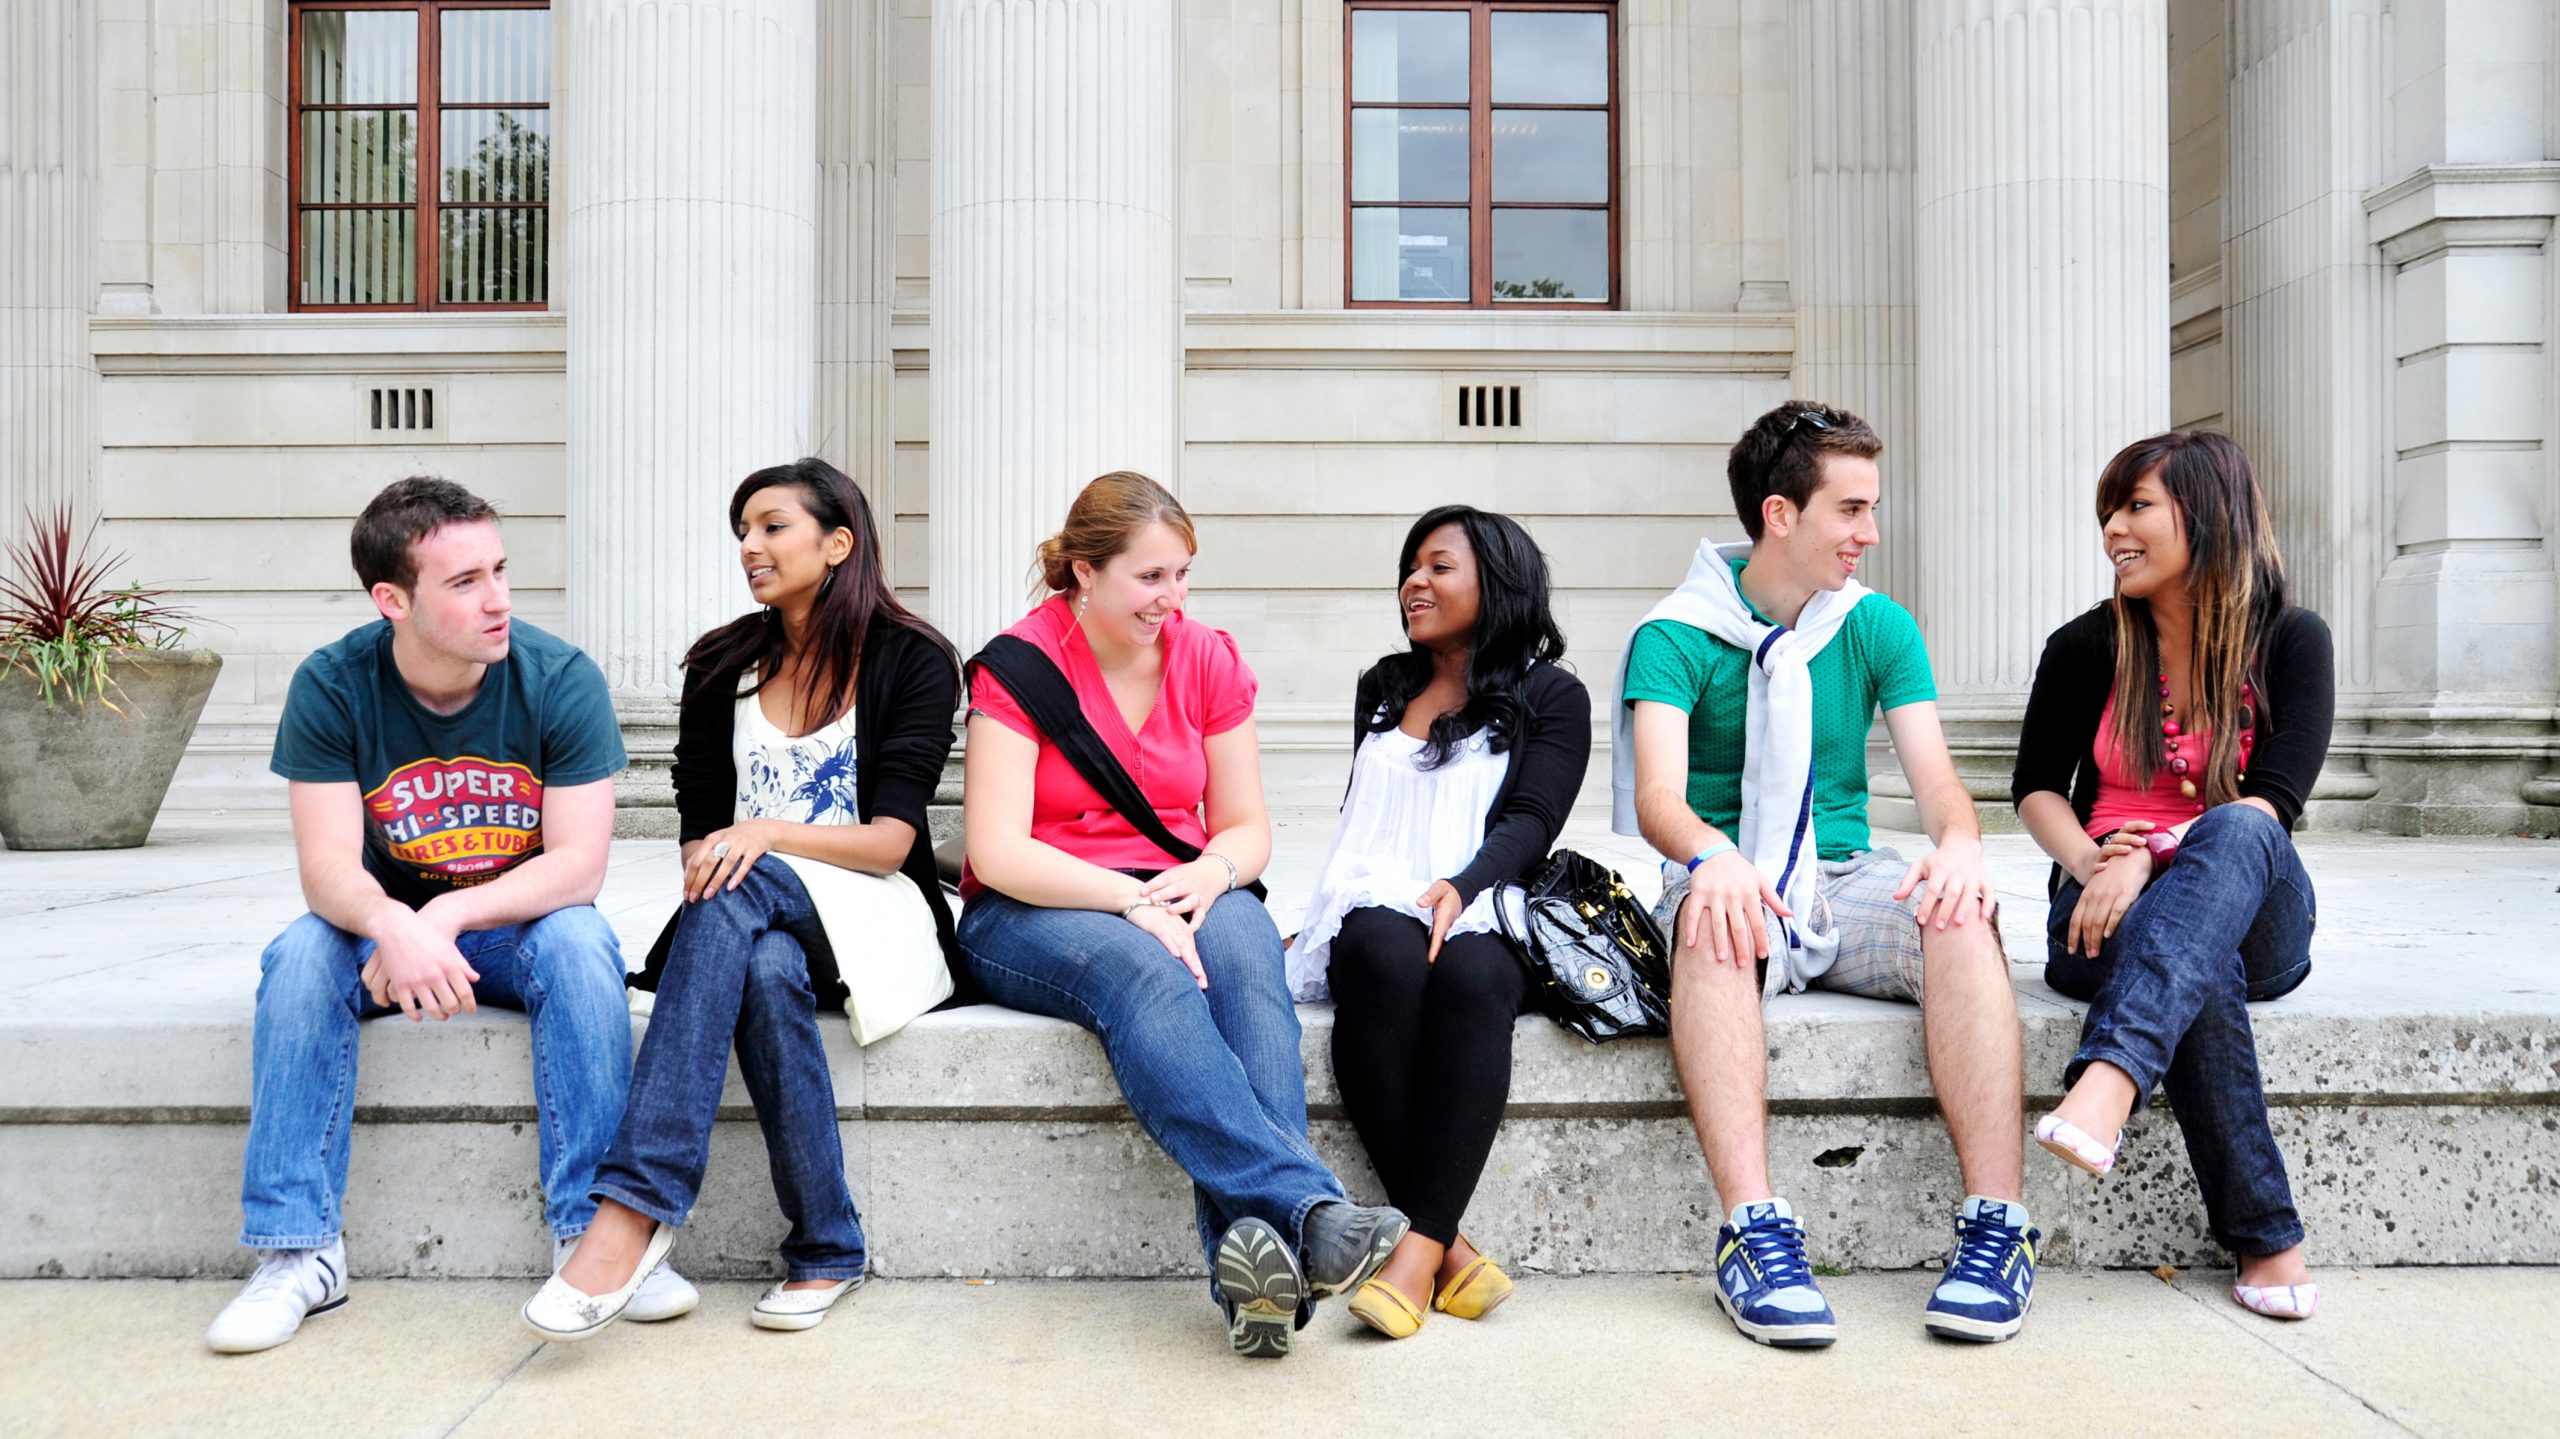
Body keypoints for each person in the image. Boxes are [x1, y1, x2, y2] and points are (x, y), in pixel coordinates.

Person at [207, 477, 692, 1353]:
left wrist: (447, 914)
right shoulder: (333, 684)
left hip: (510, 931)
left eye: (500, 570)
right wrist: (395, 924)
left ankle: (591, 1237)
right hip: (382, 935)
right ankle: (299, 1251)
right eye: (465, 581)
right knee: (300, 955)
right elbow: (325, 868)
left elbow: (578, 867)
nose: (498, 598)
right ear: (392, 600)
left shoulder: (560, 678)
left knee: (582, 942)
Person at [957, 471, 1407, 1359]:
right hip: (1037, 904)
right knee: (1146, 971)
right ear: (1085, 571)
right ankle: (1311, 1211)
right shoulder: (1017, 666)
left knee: (1247, 959)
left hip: (1181, 880)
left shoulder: (1206, 658)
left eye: (1183, 574)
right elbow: (998, 850)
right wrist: (1131, 901)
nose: (1174, 597)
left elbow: (1246, 825)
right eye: (1151, 577)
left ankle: (1260, 1279)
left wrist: (1211, 872)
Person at [1615, 401, 2032, 1347]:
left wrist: (1959, 845)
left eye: (1869, 508)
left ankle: (1998, 1228)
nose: (1869, 533)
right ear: (1780, 514)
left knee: (1960, 911)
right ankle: (1753, 1230)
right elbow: (1658, 798)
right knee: (1711, 922)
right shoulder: (1675, 633)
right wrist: (1713, 855)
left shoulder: (1877, 626)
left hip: (1844, 874)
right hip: (1730, 875)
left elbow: (1939, 786)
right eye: (1850, 509)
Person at [521, 459, 961, 1341]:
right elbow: (700, 830)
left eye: (772, 527)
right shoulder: (722, 662)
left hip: (875, 918)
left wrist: (763, 833)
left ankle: (634, 1207)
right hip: (750, 915)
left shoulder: (913, 658)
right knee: (759, 961)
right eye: (743, 532)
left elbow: (891, 842)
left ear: (837, 543)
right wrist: (725, 848)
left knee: (742, 876)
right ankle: (828, 1245)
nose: (750, 547)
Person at [2013, 430, 2332, 1322]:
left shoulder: (2292, 640)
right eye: (2108, 512)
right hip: (2100, 907)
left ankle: (2110, 1075)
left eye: (2136, 506)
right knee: (2198, 964)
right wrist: (2092, 861)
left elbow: (2276, 800)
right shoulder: (2085, 645)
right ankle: (2267, 1239)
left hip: (2255, 905)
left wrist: (2151, 852)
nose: (2113, 529)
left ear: (2209, 513)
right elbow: (2035, 787)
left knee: (2238, 825)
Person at [1283, 506, 1590, 1338]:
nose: (1414, 582)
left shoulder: (1552, 695)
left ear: (1499, 579)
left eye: (1439, 566)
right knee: (1379, 956)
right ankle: (1445, 1248)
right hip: (1380, 895)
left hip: (1490, 897)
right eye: (1410, 568)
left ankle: (1413, 1253)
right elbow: (1365, 817)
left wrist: (1462, 884)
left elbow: (1533, 819)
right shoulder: (1385, 685)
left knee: (1472, 975)